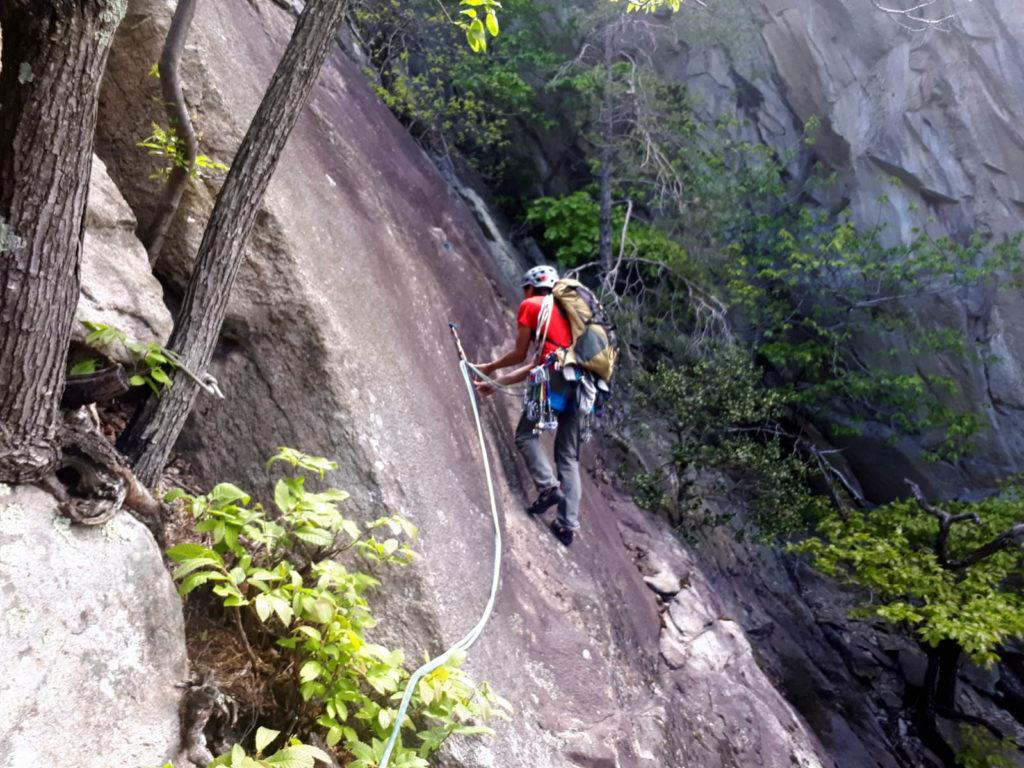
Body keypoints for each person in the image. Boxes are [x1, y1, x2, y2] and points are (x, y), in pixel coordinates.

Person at [474, 265, 581, 546]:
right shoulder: (571, 315)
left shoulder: (532, 305)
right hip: (585, 384)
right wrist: (493, 378)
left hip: (555, 376)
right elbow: (535, 364)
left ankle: (548, 488)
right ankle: (567, 525)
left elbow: (520, 355)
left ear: (532, 287)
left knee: (526, 434)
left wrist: (491, 373)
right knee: (568, 457)